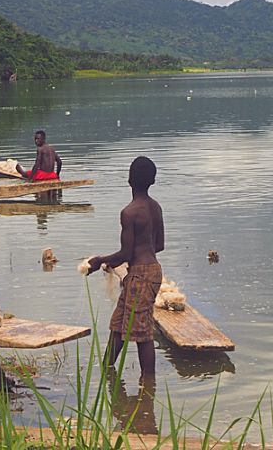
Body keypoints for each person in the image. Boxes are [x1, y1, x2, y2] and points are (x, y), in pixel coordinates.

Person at [86, 156, 164, 380]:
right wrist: (124, 259)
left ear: (129, 180)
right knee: (120, 323)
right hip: (152, 270)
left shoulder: (129, 212)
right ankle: (106, 372)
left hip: (140, 275)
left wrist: (100, 260)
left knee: (142, 333)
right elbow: (159, 245)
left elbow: (126, 254)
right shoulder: (155, 207)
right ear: (153, 181)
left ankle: (148, 384)